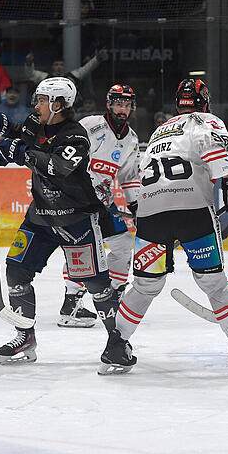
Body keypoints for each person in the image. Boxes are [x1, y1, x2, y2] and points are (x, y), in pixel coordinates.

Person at [0, 77, 122, 371]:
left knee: (96, 284)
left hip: (76, 219)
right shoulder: (36, 122)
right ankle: (25, 336)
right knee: (16, 270)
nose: (36, 105)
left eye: (41, 100)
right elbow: (20, 135)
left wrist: (20, 152)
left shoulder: (75, 136)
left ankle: (117, 340)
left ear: (58, 104)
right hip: (40, 216)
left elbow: (59, 166)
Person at [114, 78, 228, 376]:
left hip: (150, 213)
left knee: (145, 285)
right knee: (214, 282)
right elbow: (210, 147)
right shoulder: (206, 120)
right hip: (193, 210)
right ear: (205, 101)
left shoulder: (158, 131)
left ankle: (116, 345)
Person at [56, 84, 141, 328]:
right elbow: (63, 153)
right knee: (83, 251)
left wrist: (135, 205)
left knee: (124, 246)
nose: (122, 109)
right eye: (118, 104)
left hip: (104, 202)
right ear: (108, 104)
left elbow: (129, 176)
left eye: (126, 105)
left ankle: (112, 297)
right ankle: (71, 304)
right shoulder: (91, 125)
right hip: (76, 201)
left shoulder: (132, 139)